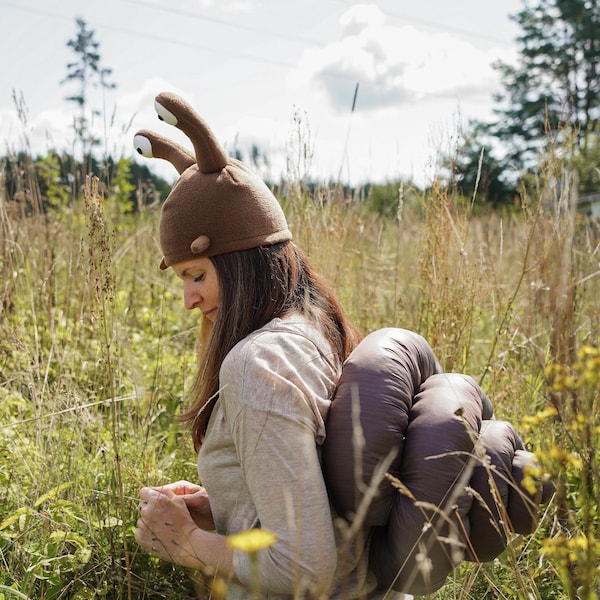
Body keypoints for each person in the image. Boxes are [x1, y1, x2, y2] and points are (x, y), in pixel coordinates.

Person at [133, 92, 411, 599]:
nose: (189, 300)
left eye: (195, 274)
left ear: (241, 263)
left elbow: (303, 567)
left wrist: (186, 542)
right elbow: (321, 491)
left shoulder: (254, 365)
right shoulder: (316, 329)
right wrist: (220, 501)